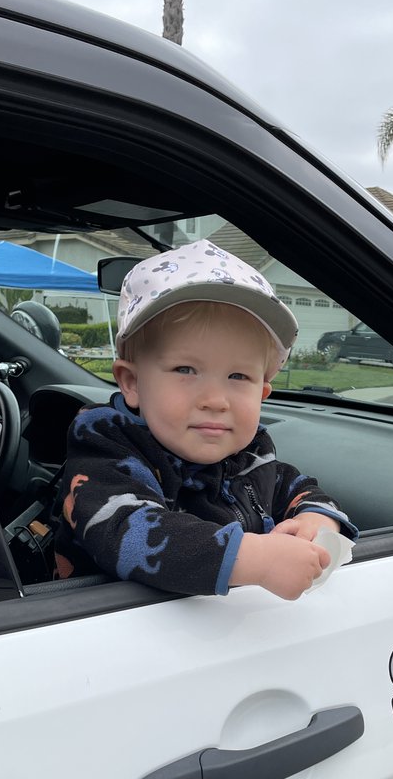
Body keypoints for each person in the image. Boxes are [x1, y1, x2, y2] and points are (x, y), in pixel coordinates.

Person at [52, 239, 356, 599]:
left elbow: (296, 486)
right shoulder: (106, 451)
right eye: (186, 369)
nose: (216, 401)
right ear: (132, 383)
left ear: (262, 394)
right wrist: (252, 559)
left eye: (238, 377)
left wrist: (317, 519)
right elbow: (124, 530)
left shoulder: (250, 455)